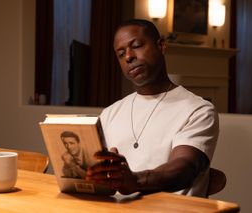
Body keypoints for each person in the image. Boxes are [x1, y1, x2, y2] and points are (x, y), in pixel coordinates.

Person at [85, 19, 219, 197]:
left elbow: (185, 167)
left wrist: (135, 181)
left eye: (137, 45)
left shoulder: (198, 110)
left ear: (162, 46)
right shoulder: (110, 113)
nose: (128, 57)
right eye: (120, 53)